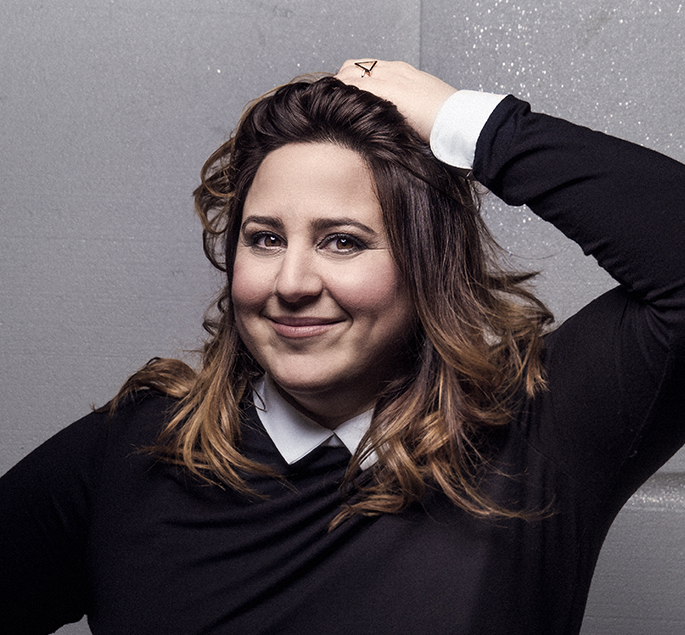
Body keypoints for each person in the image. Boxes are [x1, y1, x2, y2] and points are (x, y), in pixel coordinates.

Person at [1, 58, 684, 635]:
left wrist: (475, 126)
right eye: (265, 239)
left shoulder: (539, 434)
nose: (291, 283)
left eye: (342, 241)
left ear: (427, 265)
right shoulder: (133, 449)